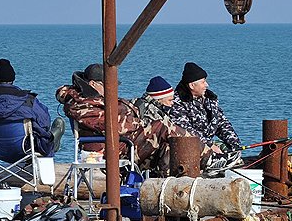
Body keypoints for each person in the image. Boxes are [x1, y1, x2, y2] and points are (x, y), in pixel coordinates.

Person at [56, 63, 211, 175]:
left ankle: (171, 186)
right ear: (93, 84)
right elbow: (115, 126)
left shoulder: (95, 101)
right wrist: (141, 123)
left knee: (168, 145)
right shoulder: (83, 107)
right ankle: (208, 157)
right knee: (162, 126)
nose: (113, 88)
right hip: (114, 150)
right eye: (108, 84)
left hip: (123, 144)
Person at [0, 58, 65, 160]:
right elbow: (45, 123)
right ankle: (52, 143)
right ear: (12, 80)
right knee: (47, 133)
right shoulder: (28, 101)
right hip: (24, 149)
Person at [170, 62, 241, 169]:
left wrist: (235, 145)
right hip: (189, 149)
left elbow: (222, 123)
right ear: (192, 85)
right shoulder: (177, 103)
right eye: (203, 82)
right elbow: (186, 131)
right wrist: (209, 145)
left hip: (208, 144)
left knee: (233, 153)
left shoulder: (209, 99)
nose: (207, 85)